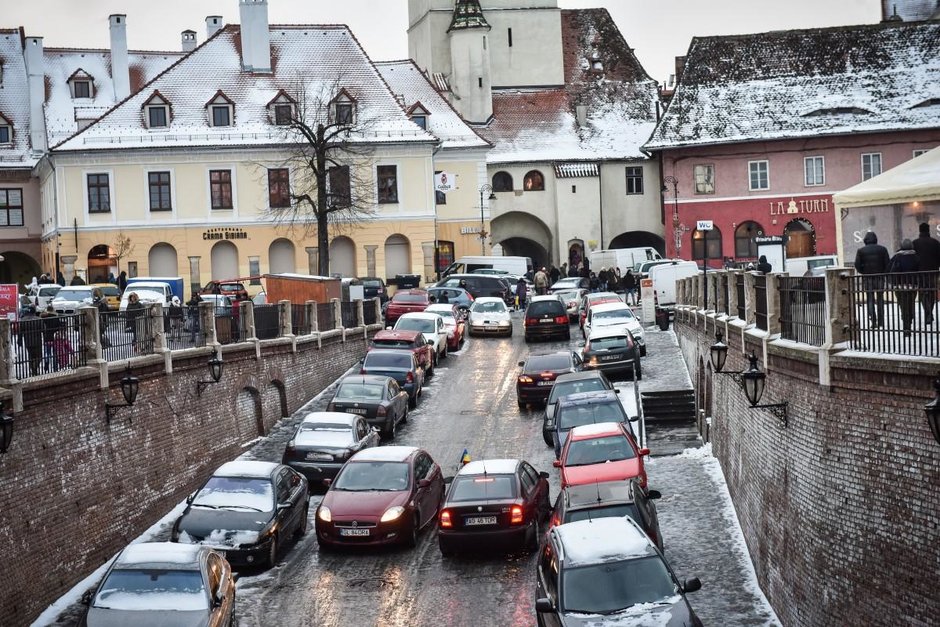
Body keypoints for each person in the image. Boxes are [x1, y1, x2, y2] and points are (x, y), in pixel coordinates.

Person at [854, 231, 890, 328]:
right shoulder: (883, 249)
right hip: (880, 277)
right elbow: (888, 264)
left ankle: (873, 321)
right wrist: (883, 272)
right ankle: (881, 321)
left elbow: (857, 265)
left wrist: (864, 271)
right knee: (880, 299)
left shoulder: (861, 251)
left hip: (868, 277)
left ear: (865, 240)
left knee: (870, 299)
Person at [889, 239, 919, 337]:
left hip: (900, 286)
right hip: (912, 286)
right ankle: (909, 320)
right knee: (911, 303)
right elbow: (920, 269)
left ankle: (906, 325)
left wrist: (892, 282)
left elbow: (889, 269)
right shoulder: (916, 257)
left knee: (903, 305)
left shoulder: (897, 257)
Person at [913, 222, 940, 325]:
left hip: (920, 272)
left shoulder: (915, 243)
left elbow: (913, 258)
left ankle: (928, 313)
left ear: (920, 231)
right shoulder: (935, 243)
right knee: (932, 292)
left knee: (923, 293)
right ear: (928, 230)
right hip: (933, 272)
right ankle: (930, 312)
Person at [17, 307, 43, 377]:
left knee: (31, 357)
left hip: (28, 341)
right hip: (37, 341)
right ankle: (35, 368)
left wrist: (19, 340)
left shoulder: (23, 320)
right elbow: (43, 329)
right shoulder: (39, 319)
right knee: (39, 356)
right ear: (34, 312)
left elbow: (20, 332)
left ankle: (33, 371)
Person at [39, 305, 61, 372]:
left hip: (47, 337)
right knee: (55, 353)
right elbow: (58, 327)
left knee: (47, 352)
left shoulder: (44, 317)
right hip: (54, 337)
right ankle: (55, 367)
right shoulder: (56, 317)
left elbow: (42, 328)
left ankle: (46, 365)